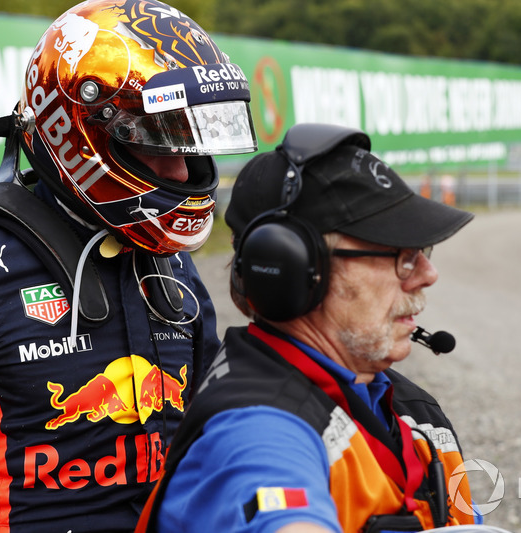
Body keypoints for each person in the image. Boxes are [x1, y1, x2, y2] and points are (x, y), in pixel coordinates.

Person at [0, 0, 256, 531]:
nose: (181, 168)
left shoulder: (169, 263)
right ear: (77, 132)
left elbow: (216, 428)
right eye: (159, 139)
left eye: (189, 143)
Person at [141, 123, 477, 532]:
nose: (427, 273)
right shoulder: (254, 429)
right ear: (295, 269)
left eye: (421, 252)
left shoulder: (413, 412)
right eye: (400, 255)